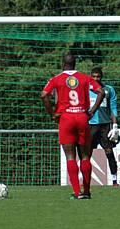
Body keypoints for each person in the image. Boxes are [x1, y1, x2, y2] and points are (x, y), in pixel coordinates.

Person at [41, 54, 105, 199]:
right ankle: (87, 192)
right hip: (82, 117)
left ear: (62, 63)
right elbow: (101, 91)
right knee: (85, 156)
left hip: (66, 118)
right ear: (75, 63)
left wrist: (52, 113)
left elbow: (44, 94)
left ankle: (77, 193)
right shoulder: (84, 77)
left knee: (70, 156)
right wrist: (92, 111)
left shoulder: (56, 79)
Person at [87, 67, 120, 186]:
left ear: (101, 77)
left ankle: (115, 181)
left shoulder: (108, 90)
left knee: (109, 151)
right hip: (90, 125)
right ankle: (85, 181)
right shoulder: (85, 89)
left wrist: (115, 124)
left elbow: (113, 108)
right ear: (90, 76)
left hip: (104, 126)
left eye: (98, 76)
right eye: (94, 76)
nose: (96, 79)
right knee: (87, 153)